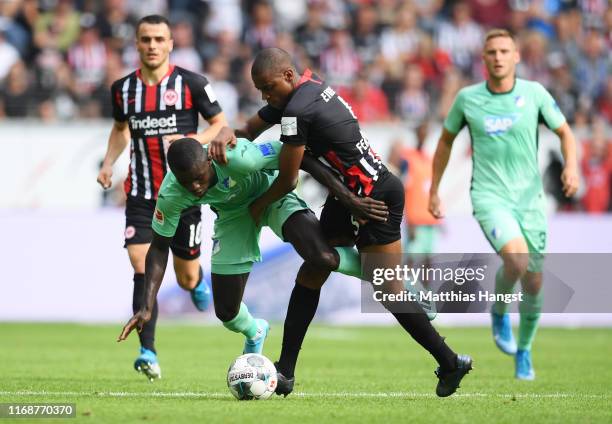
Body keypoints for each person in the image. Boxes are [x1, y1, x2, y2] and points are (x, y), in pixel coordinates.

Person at [210, 47, 472, 398]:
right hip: (348, 197)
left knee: (388, 291)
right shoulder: (303, 92)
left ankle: (450, 361)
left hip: (376, 198)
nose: (264, 96)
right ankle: (285, 373)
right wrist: (226, 130)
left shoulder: (297, 111)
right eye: (259, 89)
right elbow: (249, 129)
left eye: (268, 87)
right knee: (313, 269)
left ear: (288, 76)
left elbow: (288, 180)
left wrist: (257, 207)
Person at [117, 137, 389, 357]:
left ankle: (390, 277)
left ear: (210, 160)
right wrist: (147, 305)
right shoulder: (172, 194)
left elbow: (297, 154)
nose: (196, 187)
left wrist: (346, 195)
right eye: (188, 183)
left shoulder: (238, 157)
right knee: (226, 313)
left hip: (272, 195)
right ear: (175, 177)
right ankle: (256, 331)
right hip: (234, 217)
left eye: (200, 178)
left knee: (322, 257)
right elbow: (159, 248)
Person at [429, 29, 579, 380]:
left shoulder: (535, 94)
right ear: (483, 59)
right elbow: (445, 142)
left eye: (504, 51)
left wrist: (571, 166)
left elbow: (566, 133)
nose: (497, 57)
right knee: (516, 258)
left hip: (530, 200)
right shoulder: (468, 99)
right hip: (488, 196)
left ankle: (524, 350)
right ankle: (498, 310)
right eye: (491, 51)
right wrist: (434, 190)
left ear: (516, 57)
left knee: (534, 282)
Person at [96, 15, 228, 381]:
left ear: (171, 44)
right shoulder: (123, 90)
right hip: (140, 194)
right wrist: (109, 163)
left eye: (159, 39)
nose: (152, 45)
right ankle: (147, 351)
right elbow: (121, 130)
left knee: (185, 277)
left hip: (183, 195)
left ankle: (196, 281)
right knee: (141, 263)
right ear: (136, 45)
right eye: (145, 39)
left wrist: (191, 142)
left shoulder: (192, 84)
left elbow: (220, 125)